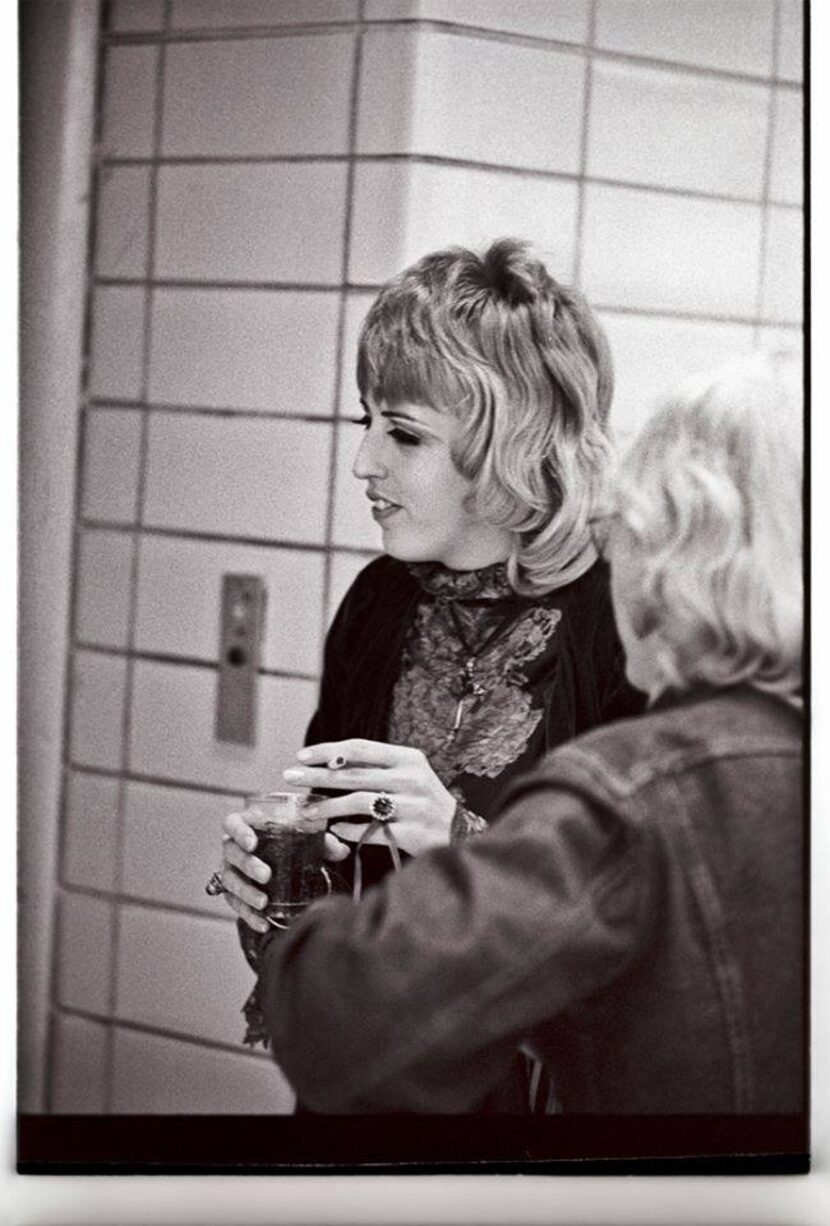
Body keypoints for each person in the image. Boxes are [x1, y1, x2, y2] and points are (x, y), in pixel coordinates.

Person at [239, 349, 804, 1114]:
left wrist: (292, 922)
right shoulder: (378, 603)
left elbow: (338, 1024)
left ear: (680, 554)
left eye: (624, 526)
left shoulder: (632, 794)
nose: (611, 554)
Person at [216, 238, 645, 1104]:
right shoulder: (380, 602)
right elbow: (349, 926)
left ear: (511, 448)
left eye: (404, 433)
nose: (364, 463)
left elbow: (655, 945)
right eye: (365, 421)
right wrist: (279, 908)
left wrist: (459, 839)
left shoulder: (623, 623)